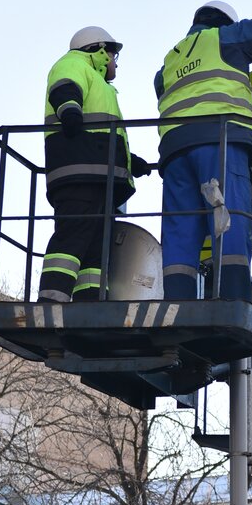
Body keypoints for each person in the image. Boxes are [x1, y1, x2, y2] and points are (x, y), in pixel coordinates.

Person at [154, 1, 252, 301]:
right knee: (229, 216)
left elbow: (161, 87)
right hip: (219, 140)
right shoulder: (226, 38)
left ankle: (178, 304)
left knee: (180, 230)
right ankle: (233, 297)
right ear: (225, 22)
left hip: (175, 153)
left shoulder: (169, 62)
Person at [38, 26, 152, 303]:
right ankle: (52, 300)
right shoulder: (73, 63)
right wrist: (69, 110)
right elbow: (64, 88)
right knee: (73, 237)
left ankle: (90, 301)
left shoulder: (102, 86)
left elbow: (104, 132)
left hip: (96, 174)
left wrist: (128, 161)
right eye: (113, 56)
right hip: (79, 171)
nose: (115, 63)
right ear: (98, 50)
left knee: (94, 247)